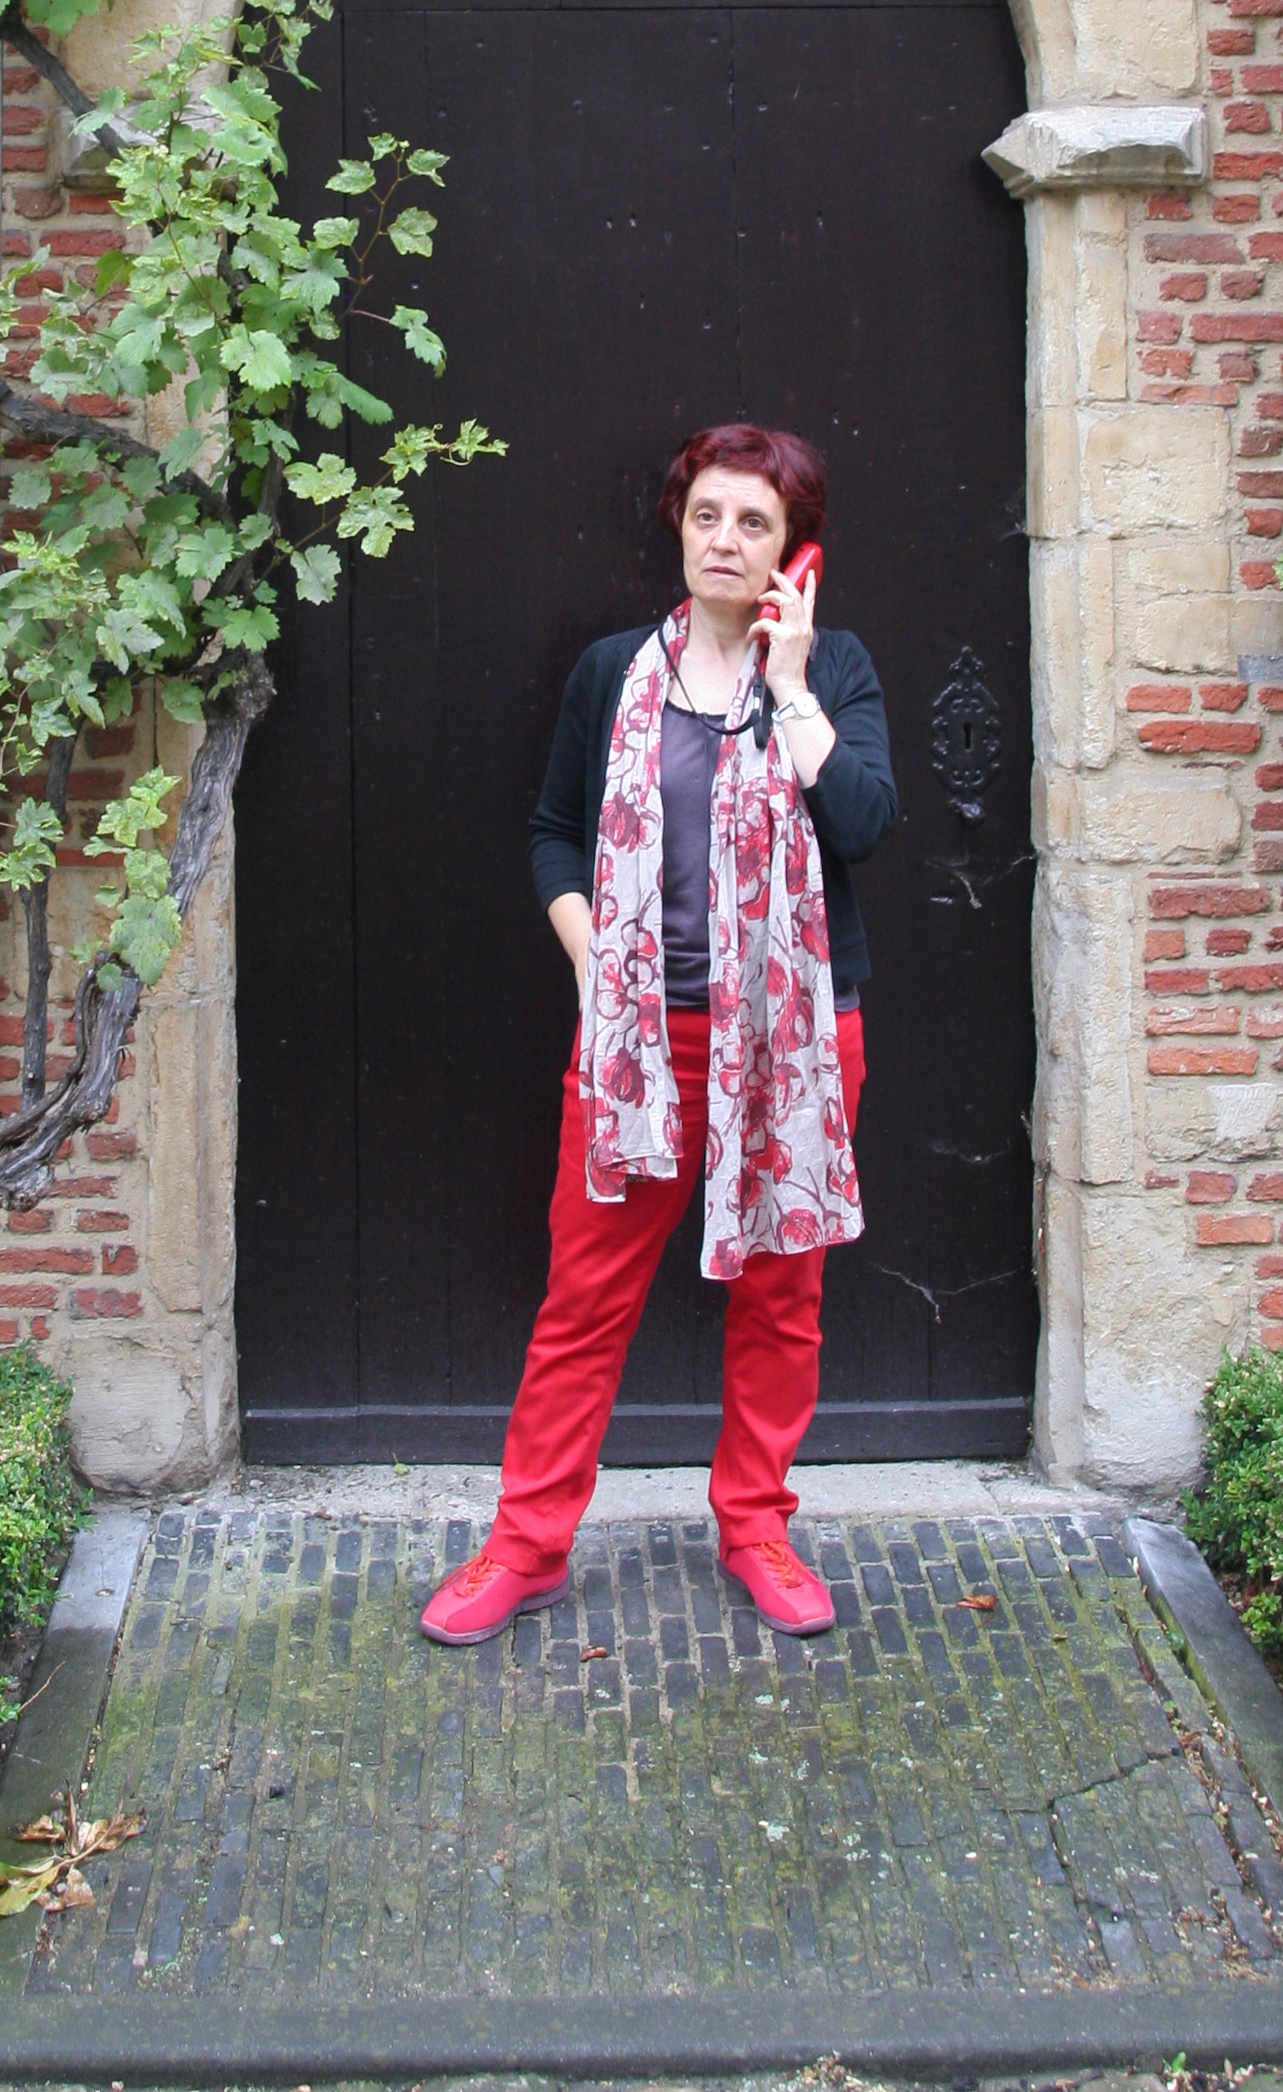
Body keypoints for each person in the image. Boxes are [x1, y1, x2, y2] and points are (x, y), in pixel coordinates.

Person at [421, 422, 896, 1646]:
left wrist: (791, 685)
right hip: (641, 1045)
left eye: (754, 523)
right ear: (680, 530)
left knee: (781, 1301)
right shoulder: (611, 675)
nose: (724, 540)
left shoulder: (834, 671)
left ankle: (757, 1529)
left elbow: (863, 823)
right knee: (583, 1304)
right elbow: (553, 832)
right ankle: (525, 1548)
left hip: (792, 1043)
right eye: (707, 516)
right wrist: (598, 966)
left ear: (794, 553)